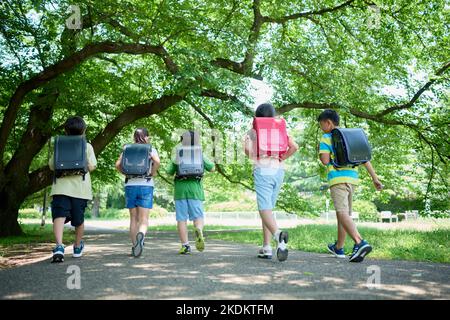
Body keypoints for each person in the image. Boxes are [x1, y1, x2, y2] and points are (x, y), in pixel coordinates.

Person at [318, 109, 383, 262]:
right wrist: (375, 178)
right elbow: (364, 158)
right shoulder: (350, 135)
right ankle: (339, 248)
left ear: (328, 122)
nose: (322, 128)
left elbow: (325, 161)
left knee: (341, 213)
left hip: (337, 179)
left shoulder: (327, 137)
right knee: (344, 214)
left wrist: (322, 153)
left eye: (322, 125)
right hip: (352, 179)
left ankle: (360, 242)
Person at [244, 103, 298, 262]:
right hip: (279, 171)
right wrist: (282, 157)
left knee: (264, 208)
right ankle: (266, 247)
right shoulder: (280, 130)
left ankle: (278, 236)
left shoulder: (253, 130)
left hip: (263, 169)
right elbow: (294, 147)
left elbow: (248, 150)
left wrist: (255, 155)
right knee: (268, 208)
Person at [49, 116, 97, 263]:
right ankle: (77, 247)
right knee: (78, 219)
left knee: (59, 216)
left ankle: (58, 246)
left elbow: (52, 166)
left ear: (65, 130)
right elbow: (92, 166)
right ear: (84, 130)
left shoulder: (59, 144)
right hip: (80, 190)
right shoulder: (87, 146)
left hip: (60, 188)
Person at [166, 130, 215, 254]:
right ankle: (198, 229)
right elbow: (212, 168)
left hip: (180, 191)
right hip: (195, 190)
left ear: (182, 140)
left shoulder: (178, 154)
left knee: (181, 219)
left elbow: (168, 171)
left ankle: (185, 245)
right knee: (198, 216)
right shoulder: (200, 154)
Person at [115, 128, 160, 257]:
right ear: (146, 137)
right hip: (146, 184)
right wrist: (153, 172)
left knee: (133, 218)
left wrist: (124, 172)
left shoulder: (127, 149)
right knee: (144, 219)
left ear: (134, 137)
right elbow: (157, 161)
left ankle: (135, 245)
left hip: (130, 185)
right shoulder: (150, 149)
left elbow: (117, 164)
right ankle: (142, 235)